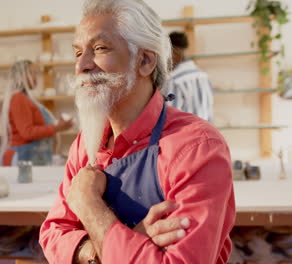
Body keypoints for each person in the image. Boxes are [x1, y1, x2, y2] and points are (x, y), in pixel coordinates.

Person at [39, 0, 235, 263]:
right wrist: (107, 248)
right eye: (77, 53)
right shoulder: (86, 144)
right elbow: (52, 234)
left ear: (144, 61)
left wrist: (91, 208)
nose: (82, 65)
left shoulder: (197, 147)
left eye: (99, 48)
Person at [0, 60, 73, 166]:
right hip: (22, 159)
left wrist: (56, 125)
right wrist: (56, 127)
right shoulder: (18, 98)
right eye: (32, 73)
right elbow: (27, 132)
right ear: (23, 75)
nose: (35, 77)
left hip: (27, 156)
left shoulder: (25, 98)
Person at [164, 31, 214, 121]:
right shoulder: (203, 76)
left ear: (174, 52)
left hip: (186, 133)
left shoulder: (174, 80)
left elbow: (169, 117)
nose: (166, 59)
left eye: (167, 54)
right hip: (206, 133)